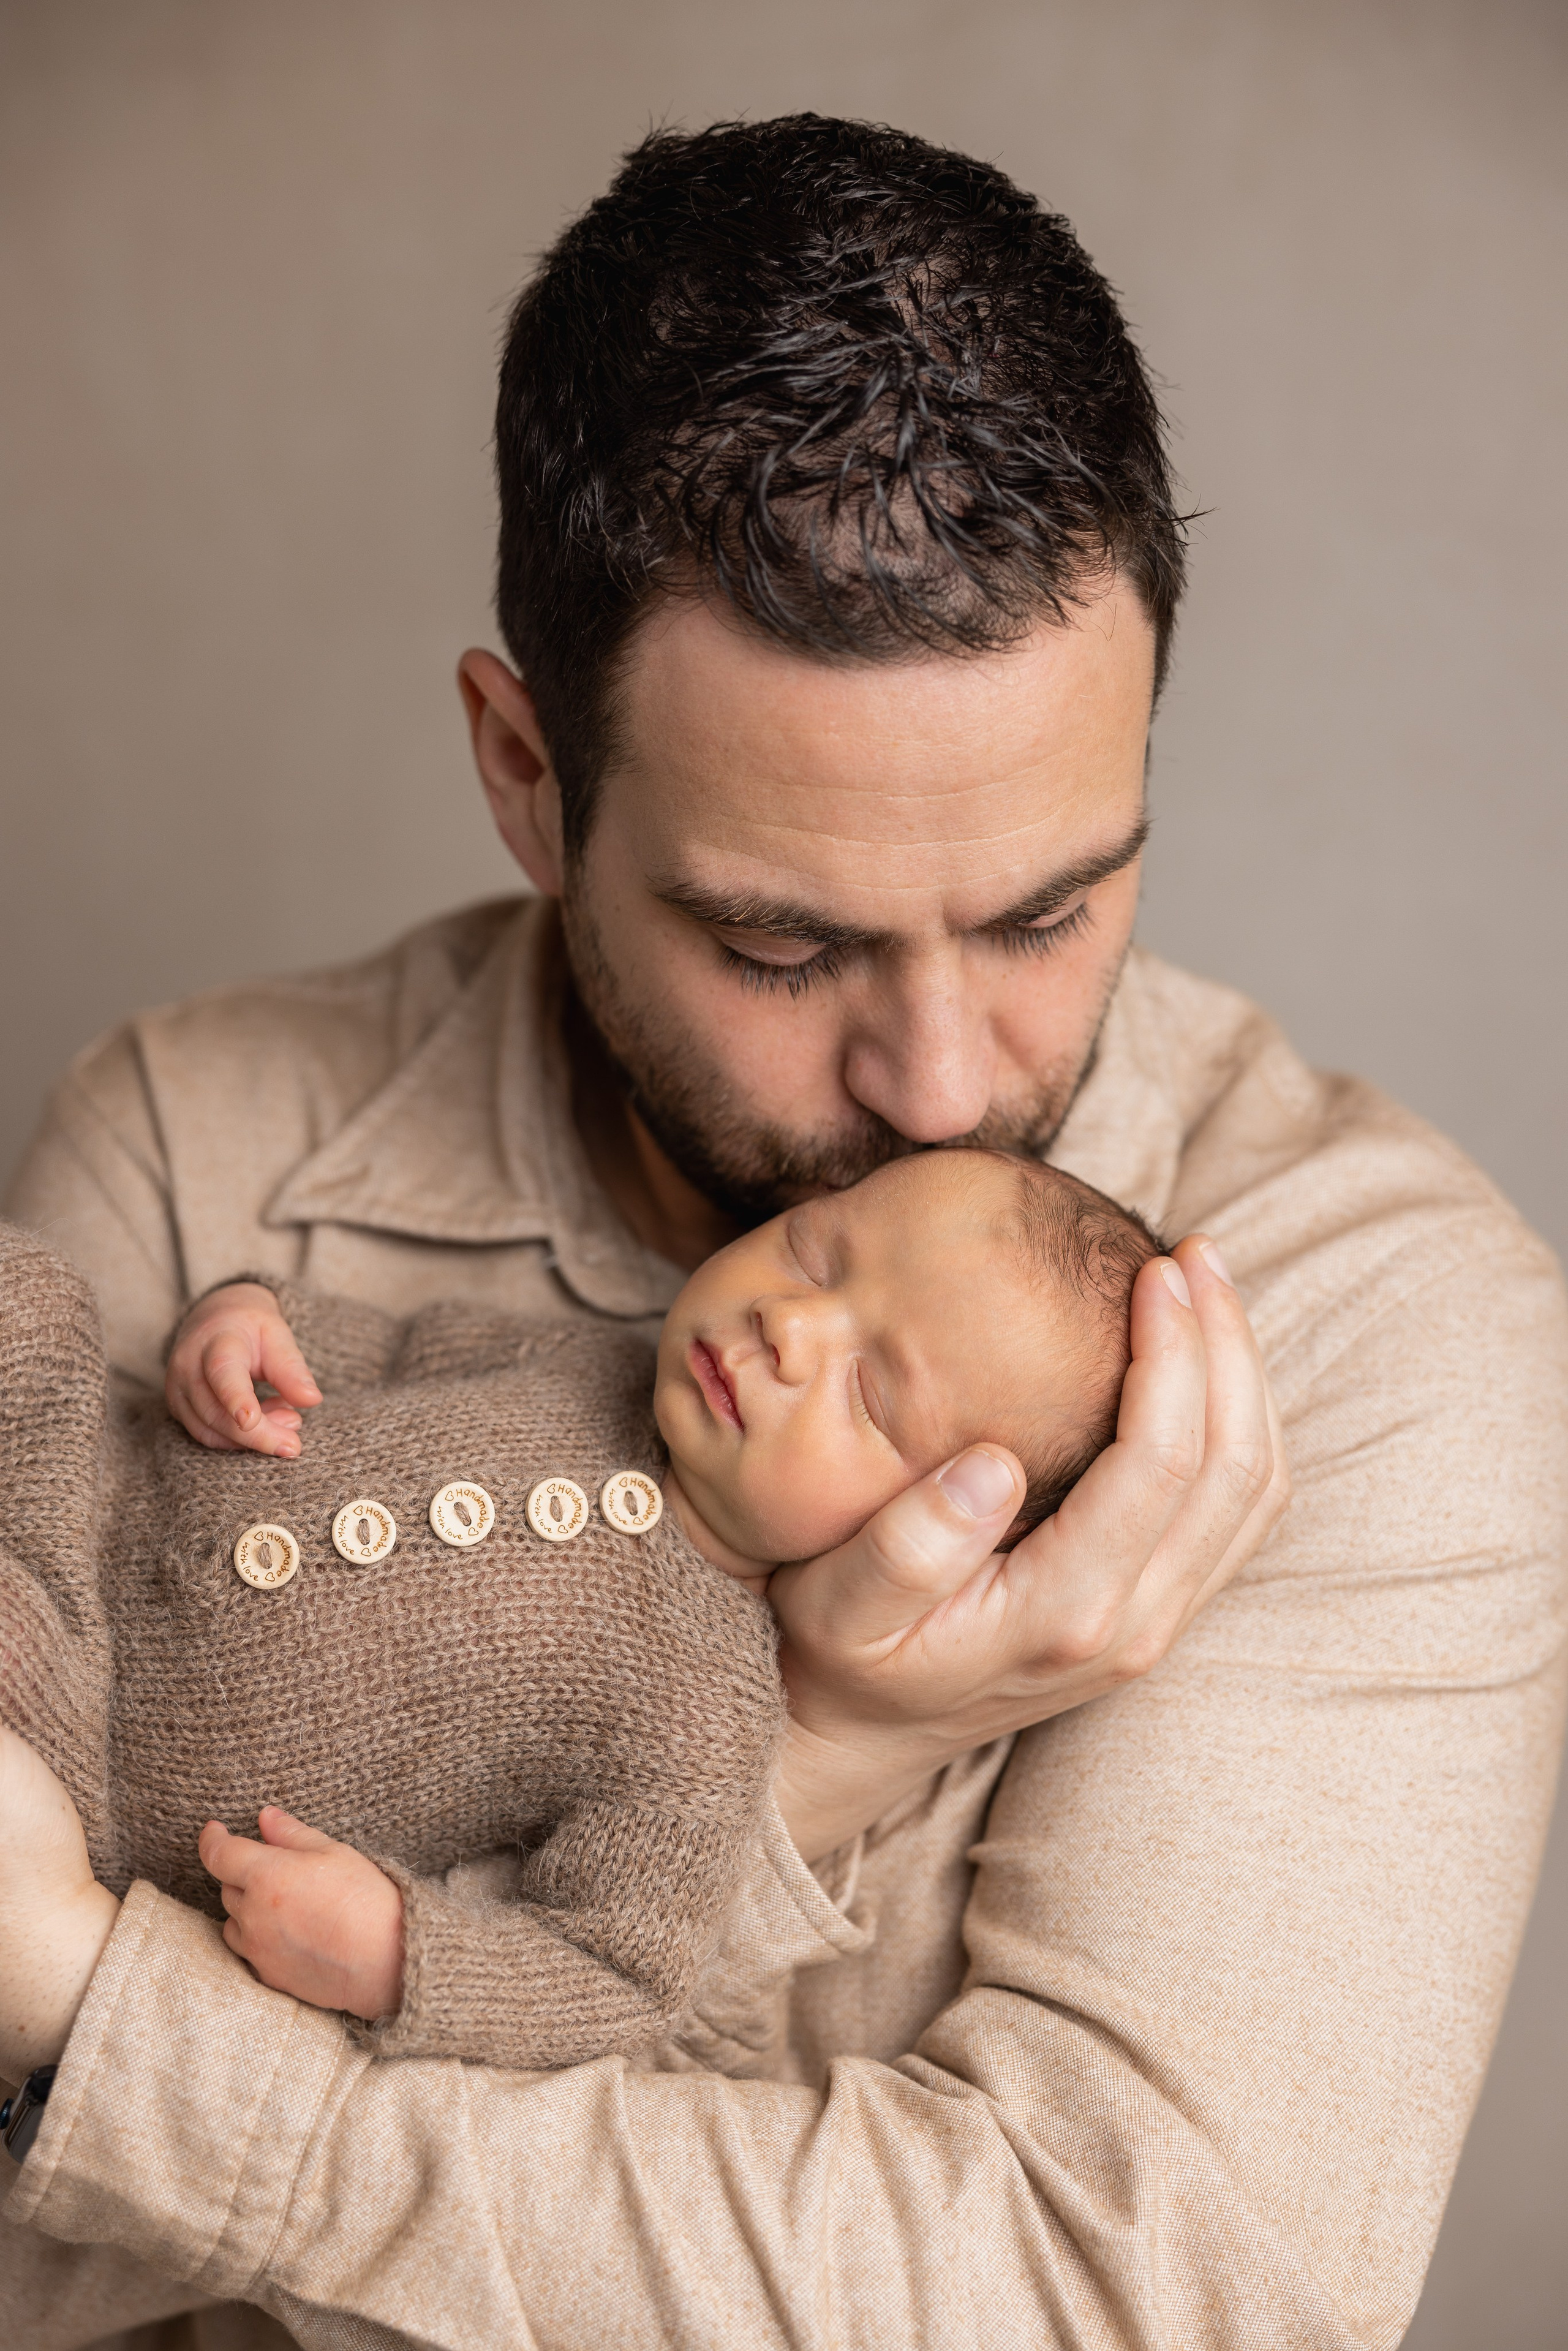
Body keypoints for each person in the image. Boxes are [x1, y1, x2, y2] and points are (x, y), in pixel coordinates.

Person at [0, 112, 1561, 2351]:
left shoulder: (1372, 1321)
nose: (939, 1082)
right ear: (529, 778)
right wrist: (807, 1734)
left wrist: (95, 2020)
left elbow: (1130, 2297)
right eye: (779, 941)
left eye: (1048, 906)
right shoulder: (196, 1147)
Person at [1, 1152, 1158, 2062]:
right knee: (30, 1294)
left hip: (87, 1758)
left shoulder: (703, 1714)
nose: (789, 1324)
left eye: (871, 1392)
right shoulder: (584, 1360)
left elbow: (613, 1971)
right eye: (816, 1251)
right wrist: (247, 1325)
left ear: (942, 1530)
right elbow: (392, 1348)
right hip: (80, 1476)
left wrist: (404, 1955)